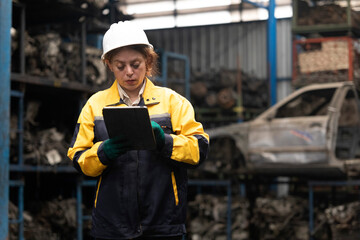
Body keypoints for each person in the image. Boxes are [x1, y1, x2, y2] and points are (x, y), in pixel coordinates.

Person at [67, 21, 209, 240]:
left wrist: (165, 142)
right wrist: (104, 152)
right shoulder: (96, 105)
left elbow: (199, 150)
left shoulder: (172, 102)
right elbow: (78, 157)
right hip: (112, 227)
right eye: (120, 66)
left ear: (148, 60)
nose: (129, 73)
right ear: (108, 64)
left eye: (136, 64)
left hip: (162, 225)